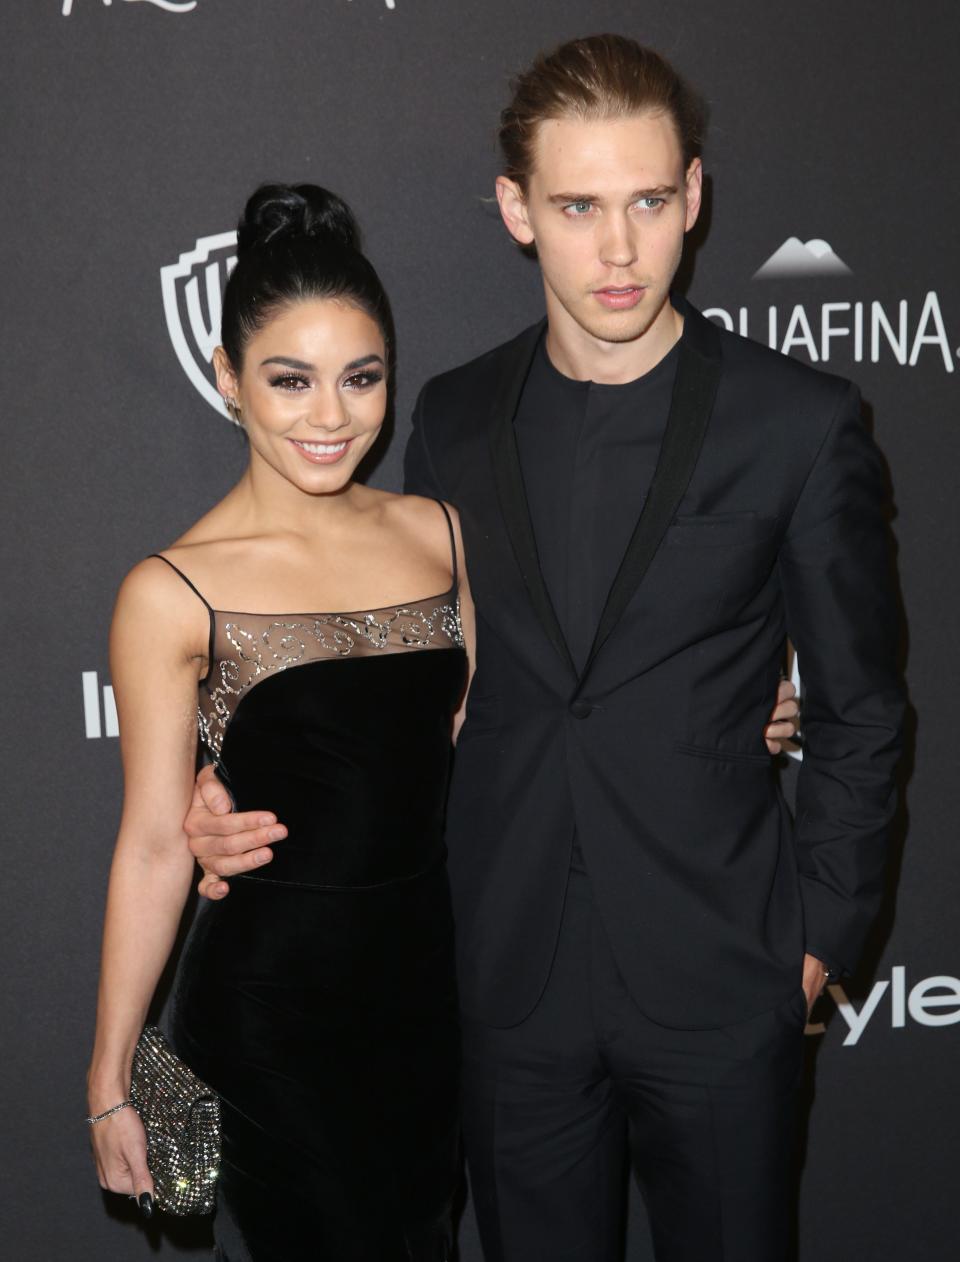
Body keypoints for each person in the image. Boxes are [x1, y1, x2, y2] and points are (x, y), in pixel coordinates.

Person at [181, 37, 897, 1262]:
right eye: (578, 206)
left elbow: (865, 708)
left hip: (725, 973)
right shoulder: (451, 421)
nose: (618, 250)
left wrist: (816, 937)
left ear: (696, 196)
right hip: (502, 981)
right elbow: (395, 675)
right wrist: (227, 778)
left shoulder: (800, 420)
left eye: (649, 202)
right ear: (518, 210)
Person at [86, 184, 470, 1261]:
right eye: (289, 380)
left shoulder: (441, 533)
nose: (330, 415)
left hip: (431, 1003)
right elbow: (159, 842)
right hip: (270, 1014)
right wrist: (110, 1073)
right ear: (227, 379)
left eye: (361, 377)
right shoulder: (172, 589)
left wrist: (728, 708)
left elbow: (503, 740)